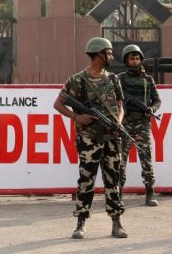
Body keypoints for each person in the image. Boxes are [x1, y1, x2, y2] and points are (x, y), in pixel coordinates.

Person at [53, 37, 126, 239]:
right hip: (89, 139)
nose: (111, 56)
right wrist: (77, 116)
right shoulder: (77, 80)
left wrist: (119, 121)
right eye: (108, 53)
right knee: (87, 180)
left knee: (114, 179)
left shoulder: (113, 79)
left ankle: (116, 222)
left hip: (112, 136)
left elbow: (120, 105)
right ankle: (81, 222)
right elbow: (58, 104)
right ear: (97, 54)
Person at [118, 44, 161, 206]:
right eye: (131, 58)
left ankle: (150, 193)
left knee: (146, 158)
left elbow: (157, 100)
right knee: (121, 160)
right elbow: (115, 98)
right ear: (126, 60)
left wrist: (152, 108)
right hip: (126, 123)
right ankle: (118, 194)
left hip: (143, 123)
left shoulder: (148, 80)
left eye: (137, 58)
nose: (135, 61)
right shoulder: (120, 79)